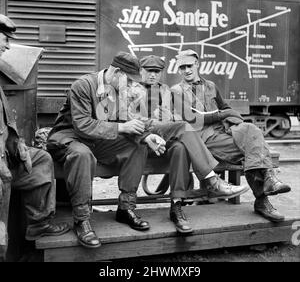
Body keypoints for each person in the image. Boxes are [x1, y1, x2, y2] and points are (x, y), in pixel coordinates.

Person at [47, 52, 171, 248]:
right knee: (82, 154)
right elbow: (82, 125)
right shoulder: (83, 85)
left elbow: (125, 122)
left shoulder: (120, 90)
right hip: (69, 137)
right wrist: (122, 127)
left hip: (99, 140)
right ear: (117, 72)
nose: (132, 87)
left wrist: (147, 137)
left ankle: (125, 208)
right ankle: (82, 219)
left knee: (137, 146)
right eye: (129, 81)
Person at [126, 54, 248, 233]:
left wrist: (223, 115)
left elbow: (180, 116)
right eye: (149, 71)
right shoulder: (130, 91)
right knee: (182, 128)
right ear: (140, 71)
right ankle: (212, 180)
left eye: (157, 72)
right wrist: (162, 127)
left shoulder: (166, 91)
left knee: (180, 148)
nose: (153, 75)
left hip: (164, 142)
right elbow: (132, 121)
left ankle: (176, 206)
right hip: (140, 143)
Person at [171, 49, 291, 222]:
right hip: (203, 139)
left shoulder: (211, 86)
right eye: (182, 67)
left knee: (252, 130)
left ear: (197, 64)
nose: (186, 70)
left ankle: (270, 180)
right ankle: (263, 199)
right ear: (178, 70)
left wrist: (232, 116)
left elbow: (225, 106)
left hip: (223, 133)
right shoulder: (177, 91)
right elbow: (192, 120)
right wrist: (221, 115)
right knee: (251, 150)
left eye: (189, 66)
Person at [0, 14, 69, 242]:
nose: (8, 46)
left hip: (7, 153)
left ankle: (38, 224)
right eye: (4, 39)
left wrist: (17, 144)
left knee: (40, 158)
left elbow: (5, 123)